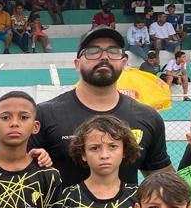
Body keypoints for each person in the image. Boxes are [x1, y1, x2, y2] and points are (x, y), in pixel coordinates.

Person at [33, 25, 172, 188]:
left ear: (124, 62)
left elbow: (165, 185)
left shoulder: (147, 117)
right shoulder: (45, 115)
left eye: (113, 51)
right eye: (93, 51)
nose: (104, 57)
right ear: (77, 64)